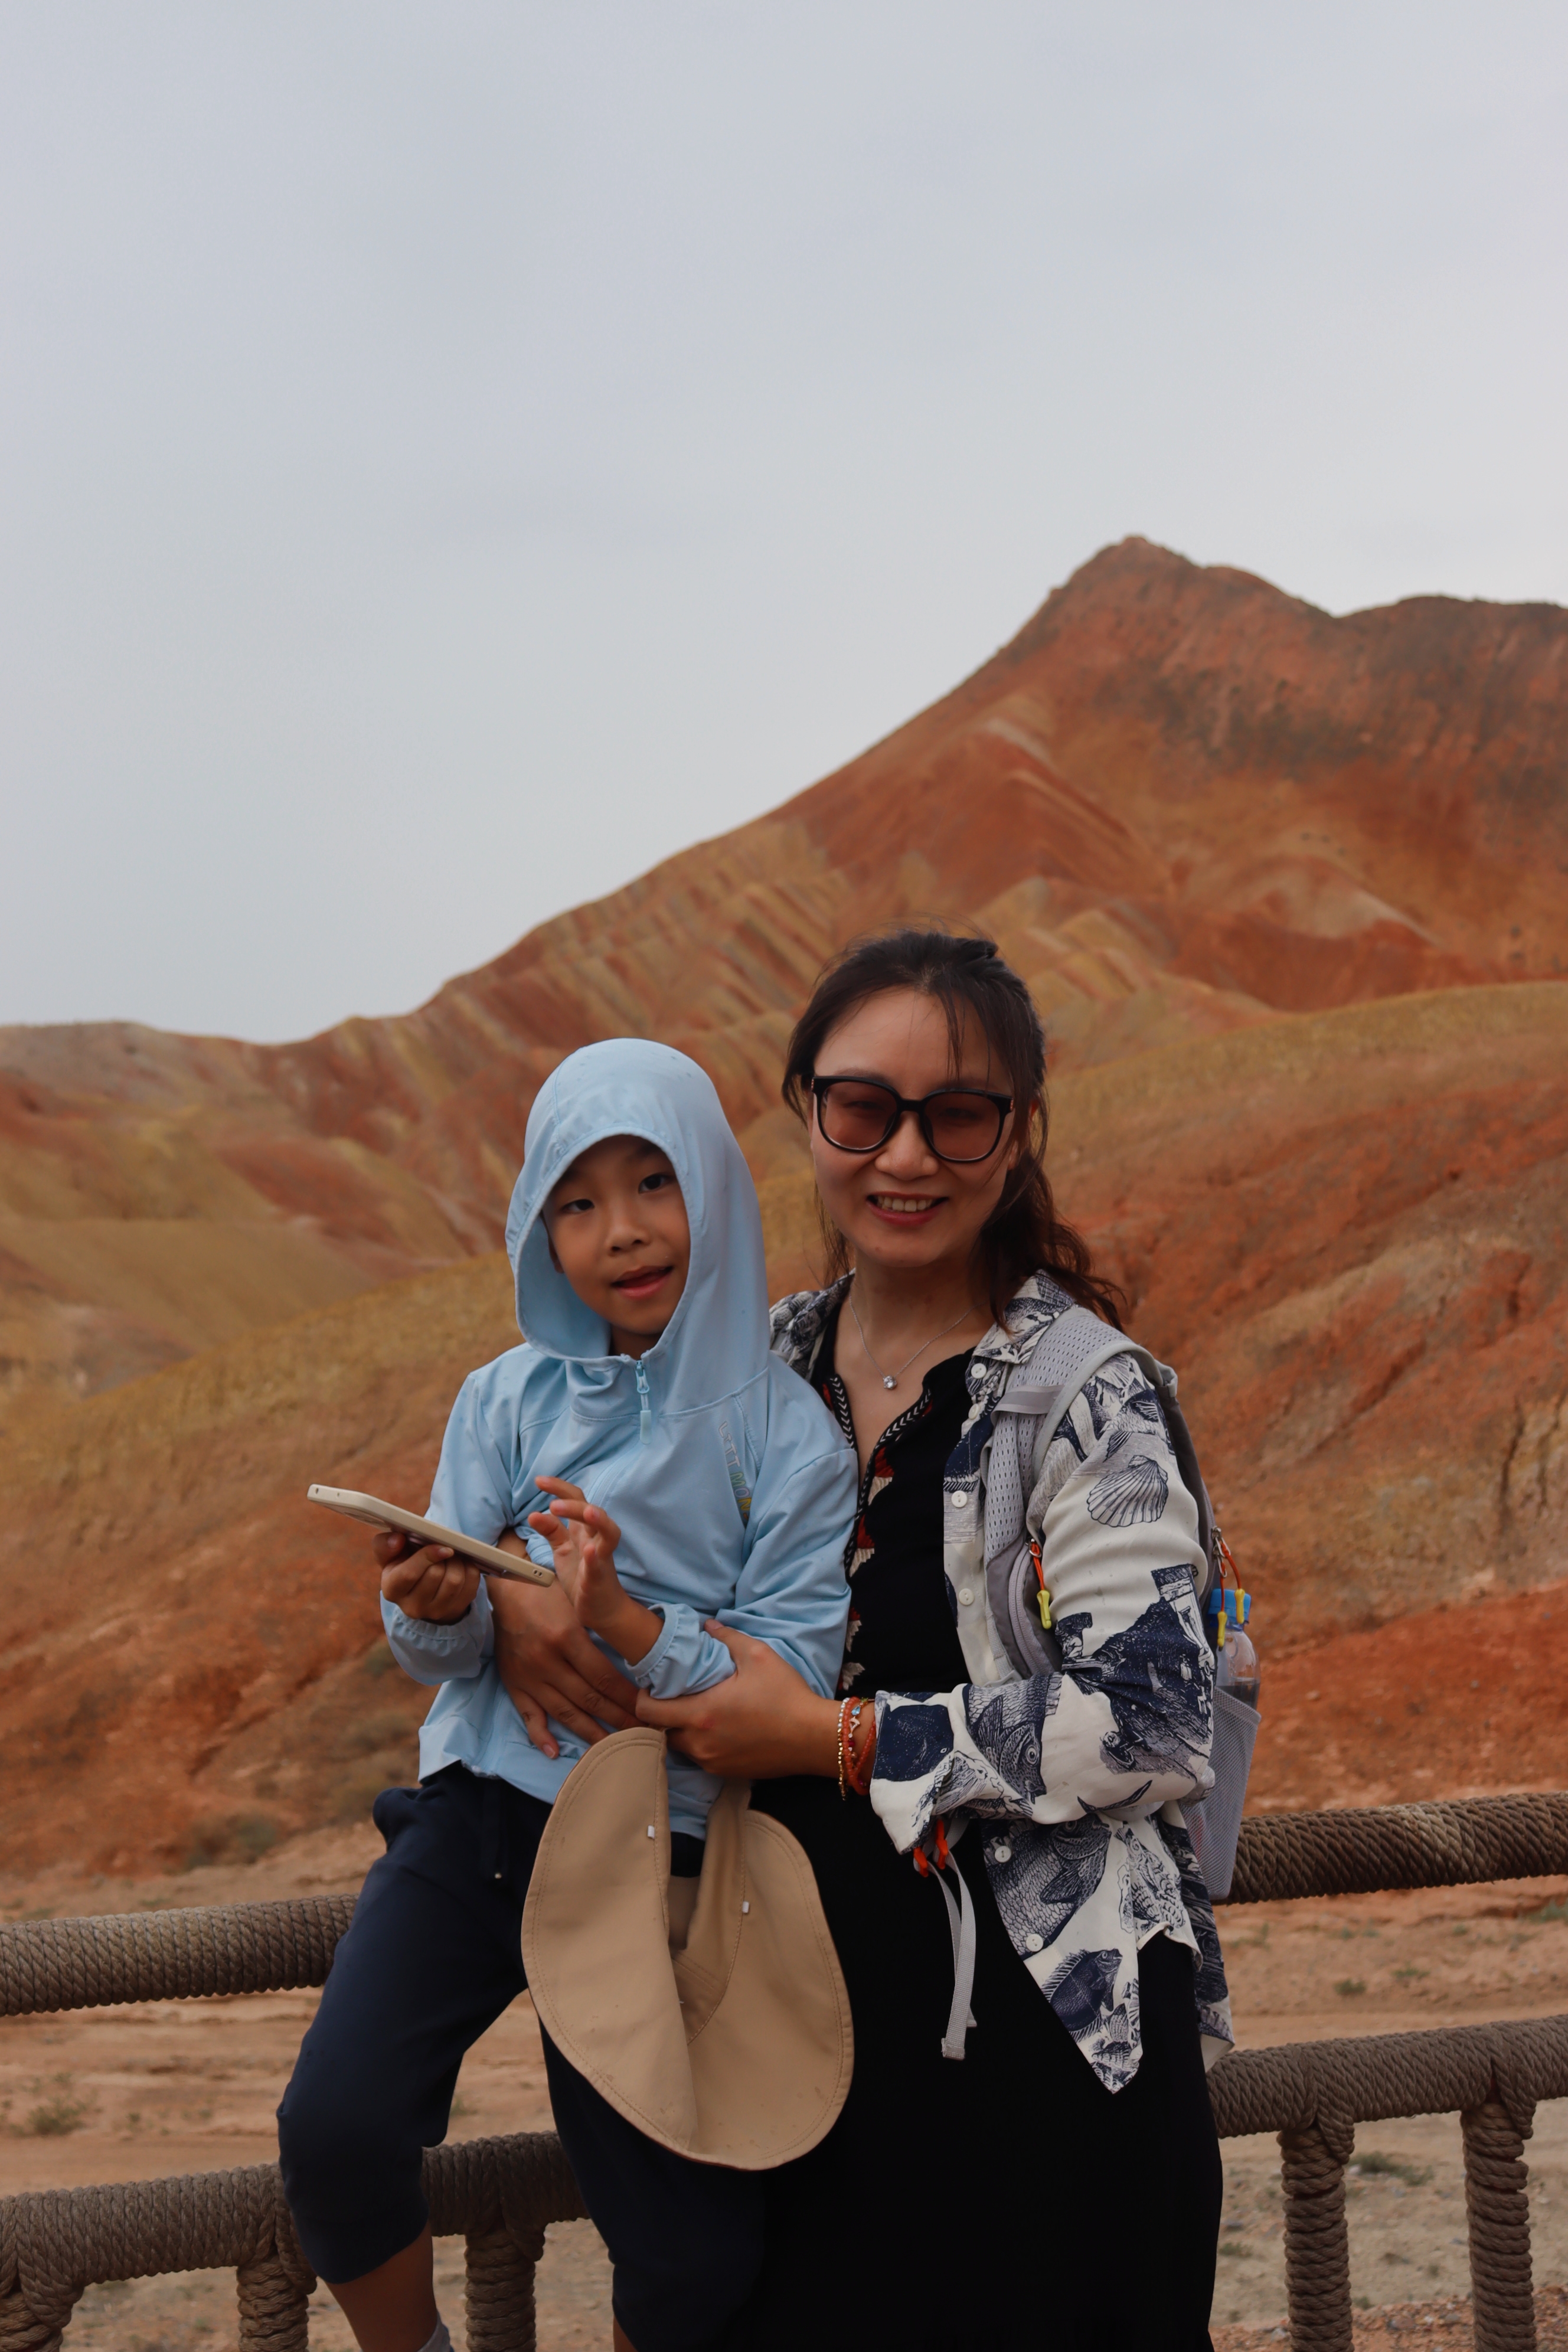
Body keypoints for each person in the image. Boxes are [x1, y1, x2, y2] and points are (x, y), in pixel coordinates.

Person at [498, 933, 1230, 2351]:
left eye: (956, 1113)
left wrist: (833, 1737)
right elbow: (588, 1541)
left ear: (1017, 1133)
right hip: (781, 2055)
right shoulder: (746, 1370)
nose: (904, 1155)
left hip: (1045, 2077)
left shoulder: (1087, 1398)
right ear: (806, 1116)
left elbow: (1148, 1725)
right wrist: (518, 1608)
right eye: (861, 1109)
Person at [277, 1038, 856, 2352]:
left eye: (653, 1182)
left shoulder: (790, 1441)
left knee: (694, 2260)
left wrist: (622, 1624)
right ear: (540, 1230)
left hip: (659, 1860)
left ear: (713, 1186)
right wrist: (442, 1605)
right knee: (336, 2131)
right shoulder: (501, 1397)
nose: (622, 1232)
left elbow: (788, 1682)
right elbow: (436, 1655)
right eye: (577, 1202)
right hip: (478, 1821)